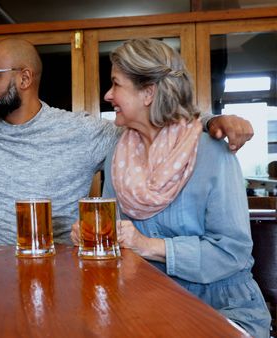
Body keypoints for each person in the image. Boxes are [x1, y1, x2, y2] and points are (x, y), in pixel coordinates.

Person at [0, 38, 254, 245]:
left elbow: (158, 127)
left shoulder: (86, 132)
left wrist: (211, 121)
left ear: (24, 78)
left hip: (67, 271)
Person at [70, 38, 270, 337]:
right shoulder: (117, 154)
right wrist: (93, 237)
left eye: (116, 84)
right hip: (146, 304)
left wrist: (146, 244)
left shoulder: (211, 151)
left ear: (149, 92)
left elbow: (233, 253)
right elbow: (116, 239)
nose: (108, 94)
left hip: (222, 309)